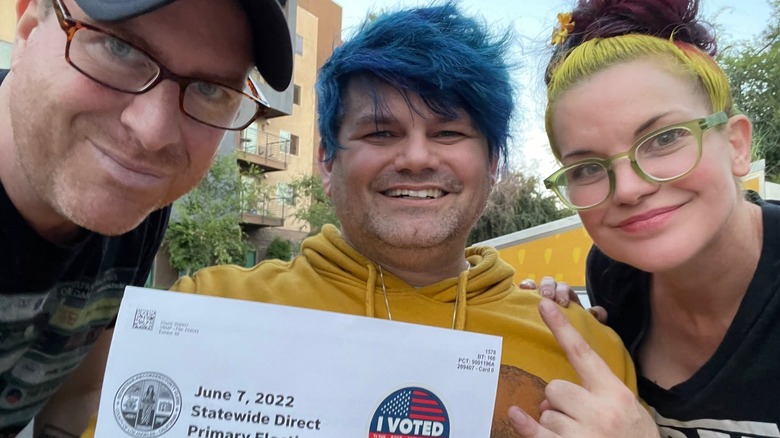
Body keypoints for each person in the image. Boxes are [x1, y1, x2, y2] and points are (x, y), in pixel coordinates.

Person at [169, 3, 641, 437]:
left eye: (449, 131)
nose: (416, 157)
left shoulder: (588, 353)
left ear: (493, 164)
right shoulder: (203, 313)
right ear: (327, 163)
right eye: (380, 132)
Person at [0, 0, 293, 435]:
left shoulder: (136, 202)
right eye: (119, 50)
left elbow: (77, 395)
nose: (153, 133)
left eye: (211, 89)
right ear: (26, 31)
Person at [509, 0, 780, 436]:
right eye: (588, 168)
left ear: (736, 145)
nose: (631, 189)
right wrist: (579, 335)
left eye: (664, 138)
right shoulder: (616, 276)